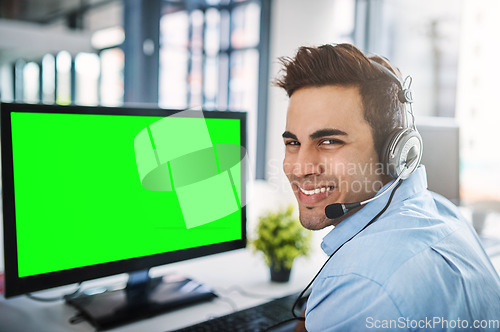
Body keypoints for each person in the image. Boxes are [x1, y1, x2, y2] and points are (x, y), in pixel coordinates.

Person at [275, 43, 500, 331]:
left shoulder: (363, 284)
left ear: (392, 153)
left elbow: (368, 287)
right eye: (293, 143)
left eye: (329, 141)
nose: (300, 167)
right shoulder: (441, 211)